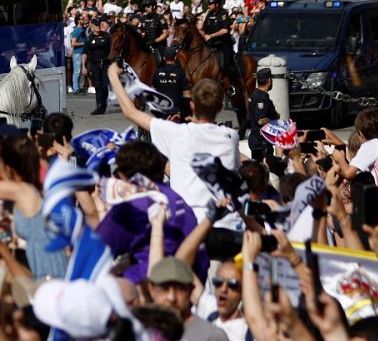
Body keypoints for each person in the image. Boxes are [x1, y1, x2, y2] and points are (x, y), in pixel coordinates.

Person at [108, 67, 238, 222]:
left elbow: (131, 112)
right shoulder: (232, 137)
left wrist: (112, 75)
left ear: (192, 105)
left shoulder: (177, 133)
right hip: (227, 222)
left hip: (189, 222)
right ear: (221, 107)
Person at [245, 68, 279, 159]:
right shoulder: (261, 97)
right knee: (266, 168)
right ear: (269, 81)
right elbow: (260, 120)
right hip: (261, 140)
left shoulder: (254, 94)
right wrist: (274, 121)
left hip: (256, 138)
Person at [84, 18, 113, 115]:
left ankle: (103, 103)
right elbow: (84, 53)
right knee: (98, 85)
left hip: (105, 63)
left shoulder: (106, 36)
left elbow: (112, 49)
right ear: (92, 27)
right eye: (96, 25)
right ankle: (99, 106)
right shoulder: (89, 38)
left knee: (105, 85)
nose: (98, 27)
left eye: (99, 25)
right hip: (94, 64)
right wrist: (83, 66)